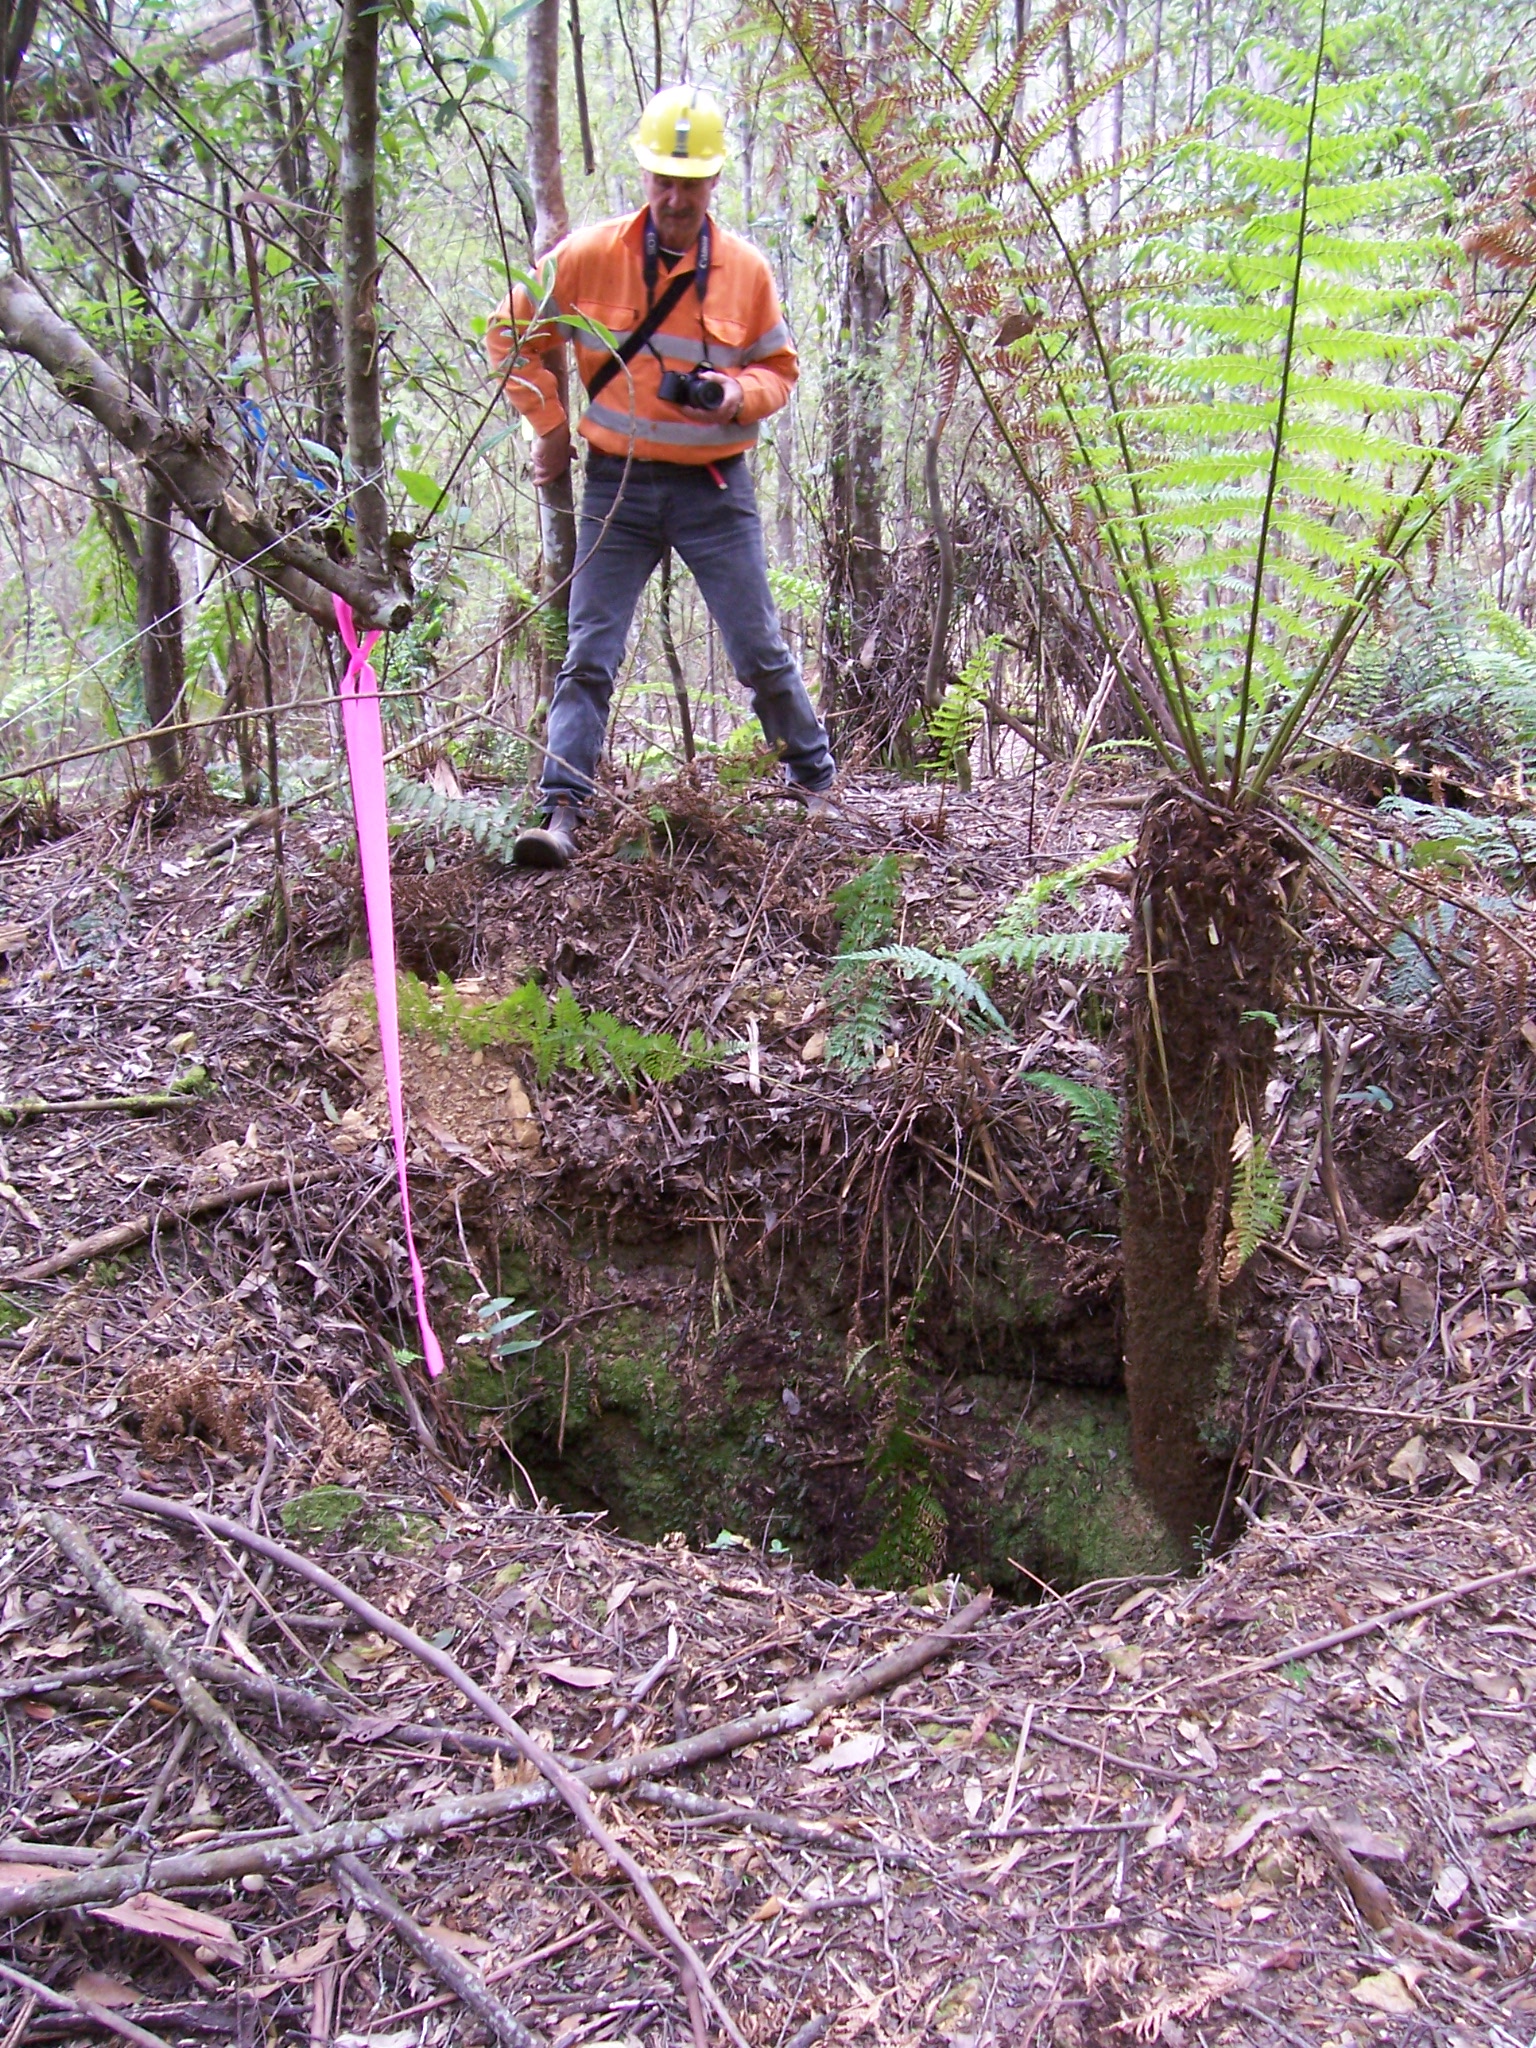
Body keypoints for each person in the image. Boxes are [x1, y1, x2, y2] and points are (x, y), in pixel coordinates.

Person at [486, 84, 836, 869]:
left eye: (692, 183)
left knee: (758, 649)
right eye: (663, 181)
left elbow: (781, 370)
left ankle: (816, 783)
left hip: (715, 487)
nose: (676, 198)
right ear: (644, 175)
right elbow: (509, 331)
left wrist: (736, 394)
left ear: (714, 181)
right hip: (618, 484)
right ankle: (561, 810)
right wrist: (549, 425)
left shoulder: (745, 270)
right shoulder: (590, 255)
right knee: (589, 651)